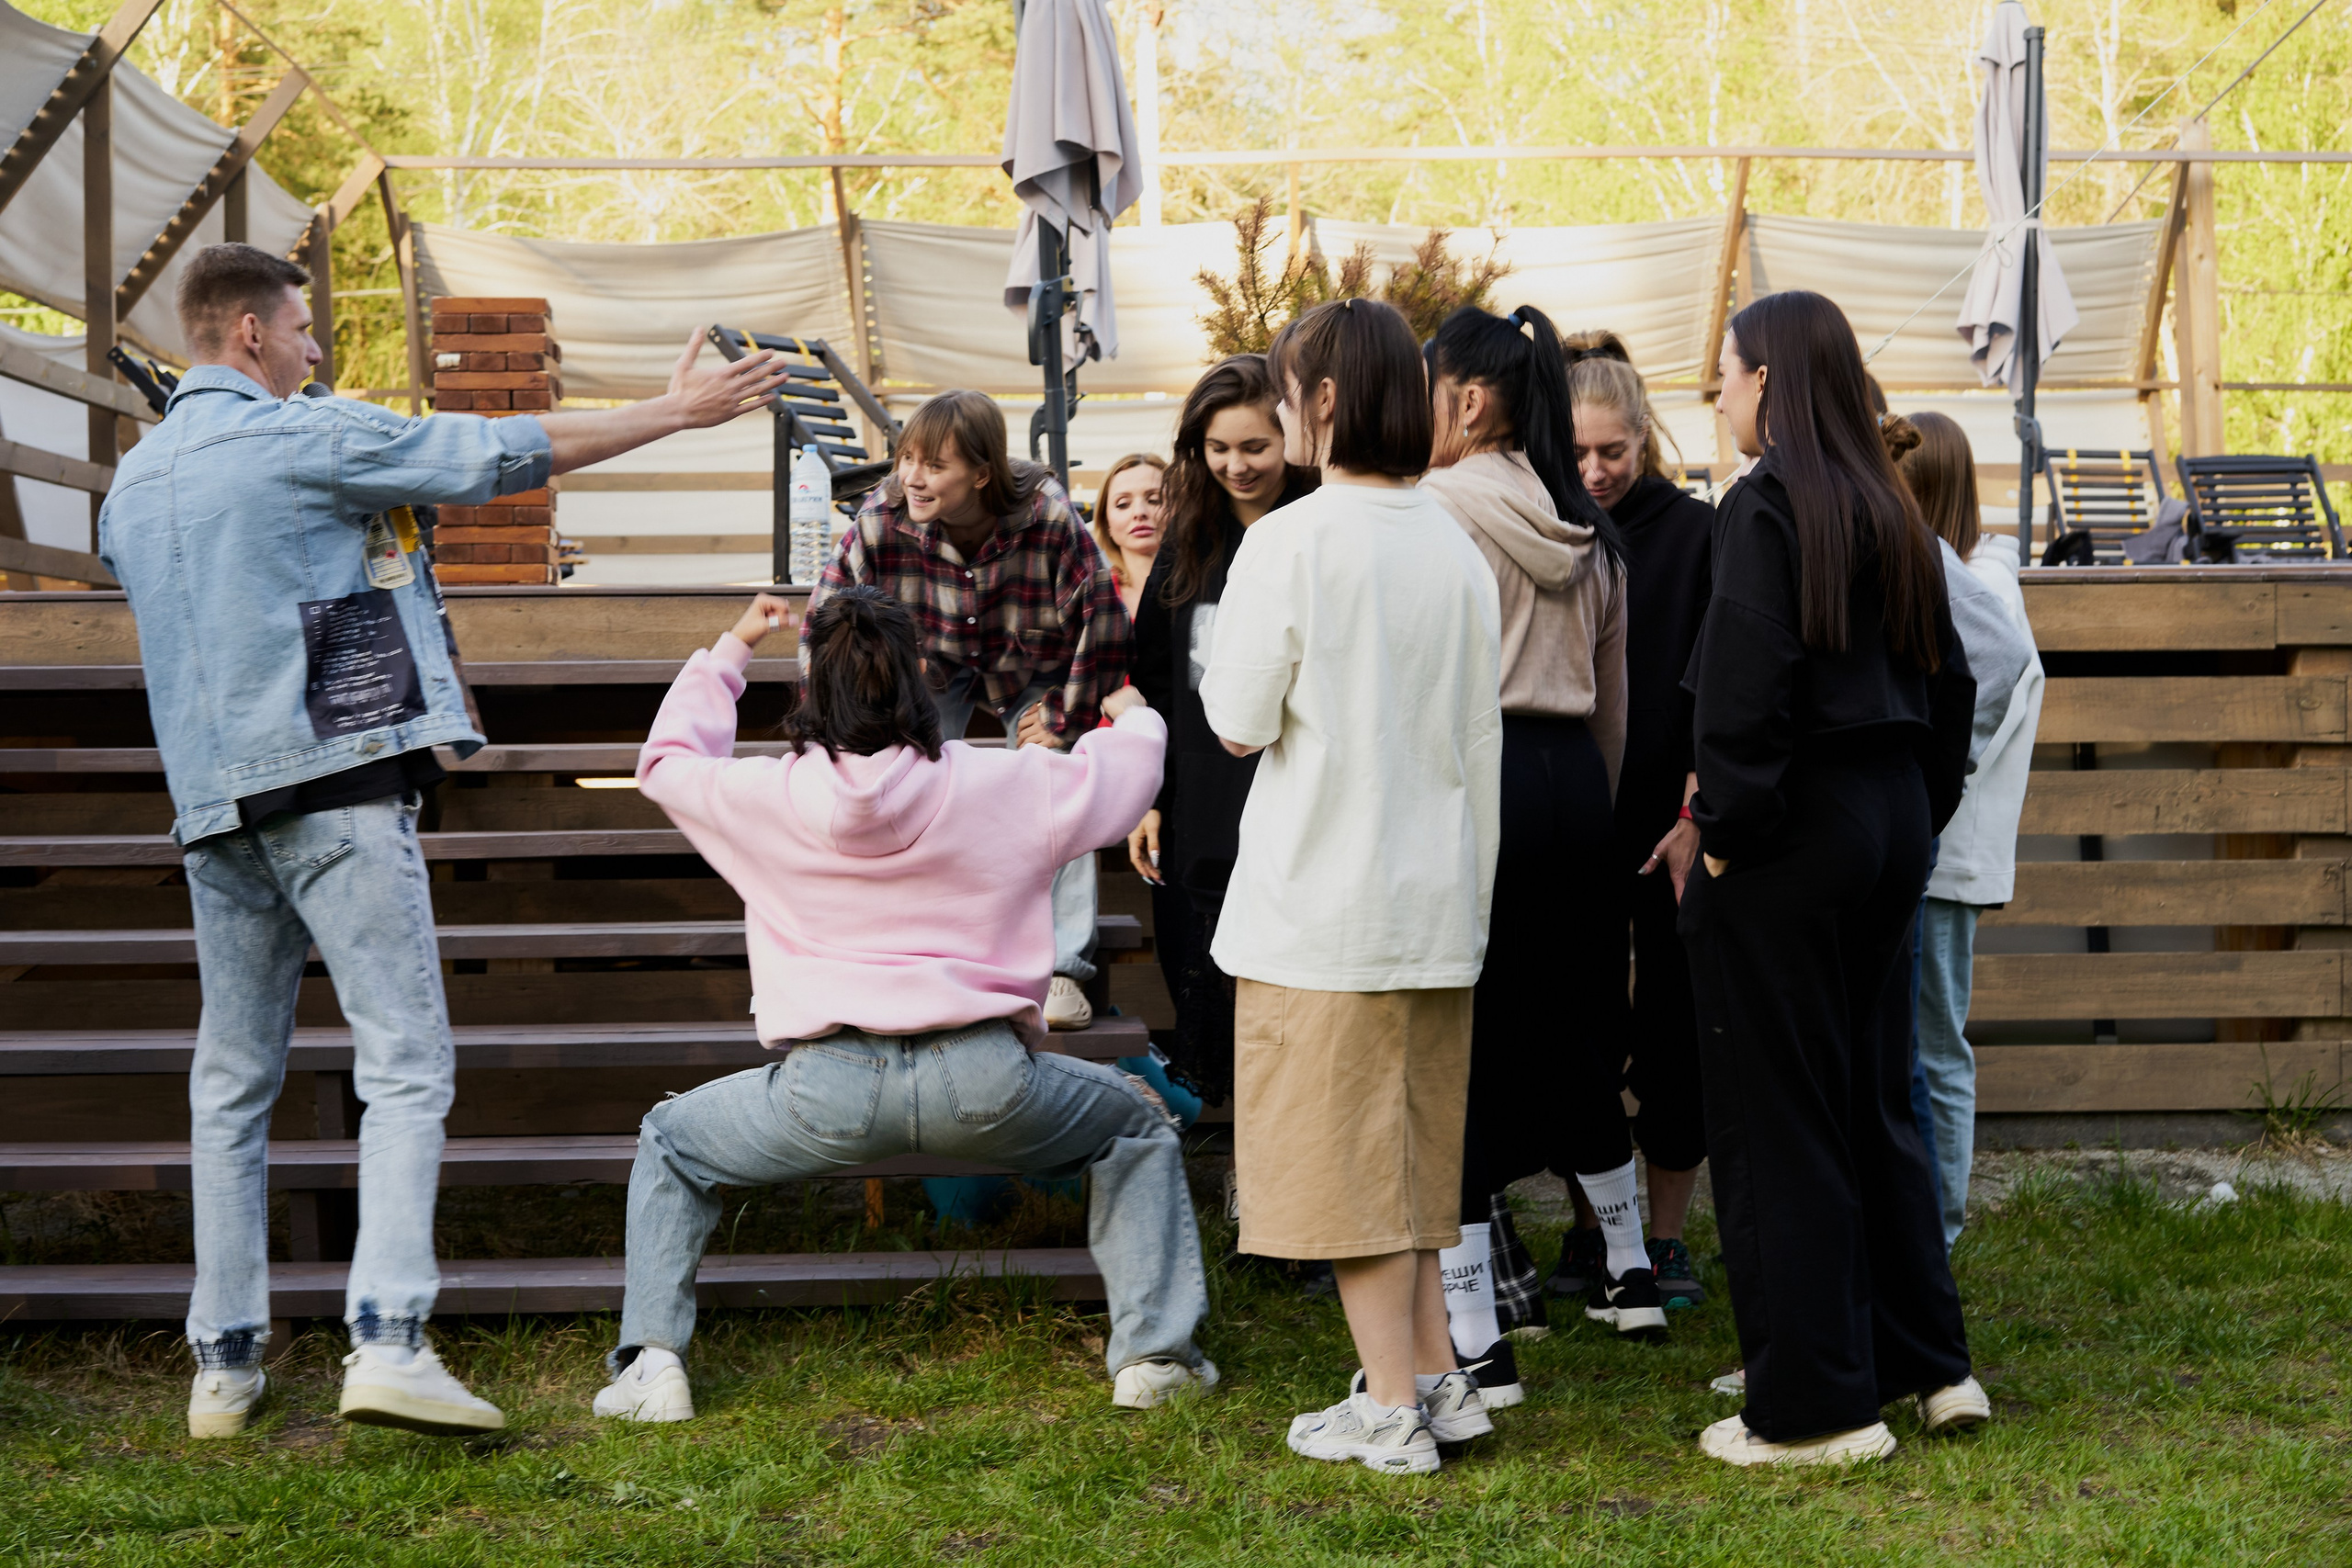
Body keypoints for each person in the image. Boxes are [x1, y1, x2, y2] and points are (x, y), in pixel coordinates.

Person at [98, 243, 797, 1440]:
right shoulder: (298, 433)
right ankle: (390, 1338)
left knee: (230, 1086)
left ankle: (222, 1366)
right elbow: (493, 455)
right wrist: (676, 413)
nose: (319, 348)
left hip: (213, 809)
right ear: (253, 335)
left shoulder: (132, 485)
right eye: (306, 328)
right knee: (406, 1065)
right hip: (333, 784)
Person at [594, 586, 1212, 1421]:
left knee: (671, 1141)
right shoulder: (1006, 781)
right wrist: (1131, 712)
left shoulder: (766, 795)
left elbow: (663, 762)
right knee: (1136, 1123)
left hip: (824, 1088)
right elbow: (1129, 776)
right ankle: (1154, 1359)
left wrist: (733, 650)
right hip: (990, 1077)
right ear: (920, 680)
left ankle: (652, 1364)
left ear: (814, 691)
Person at [1677, 289, 1987, 1467]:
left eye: (1725, 373)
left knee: (1778, 1113)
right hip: (1889, 817)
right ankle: (1928, 1366)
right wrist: (1908, 813)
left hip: (1792, 829)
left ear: (1770, 382)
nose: (1717, 394)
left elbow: (1744, 689)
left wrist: (1725, 830)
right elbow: (1951, 687)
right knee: (1873, 1095)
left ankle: (1815, 1408)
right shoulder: (1888, 505)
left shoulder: (1764, 505)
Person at [1203, 299, 1503, 1475]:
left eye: (1284, 395)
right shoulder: (1454, 542)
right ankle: (1437, 1382)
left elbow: (1233, 721)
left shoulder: (1291, 539)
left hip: (1321, 906)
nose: (1278, 417)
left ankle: (1389, 1409)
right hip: (1438, 900)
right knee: (1415, 1160)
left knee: (1345, 1174)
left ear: (1321, 401)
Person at [1417, 303, 1643, 1409]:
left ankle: (1474, 1336)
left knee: (1460, 1049)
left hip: (1481, 777)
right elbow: (1614, 704)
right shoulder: (1582, 525)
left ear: (1464, 399)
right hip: (1570, 792)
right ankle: (1632, 1267)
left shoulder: (1434, 513)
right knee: (1571, 1028)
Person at [808, 390, 1131, 1032]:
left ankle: (1063, 966)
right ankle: (902, 950)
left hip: (1032, 660)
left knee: (1055, 777)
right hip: (930, 663)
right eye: (906, 460)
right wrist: (833, 725)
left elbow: (1104, 619)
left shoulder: (1048, 515)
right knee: (900, 774)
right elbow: (824, 622)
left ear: (982, 473)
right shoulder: (883, 519)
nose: (912, 477)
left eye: (934, 466)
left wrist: (1066, 715)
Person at [1555, 330, 1718, 1314]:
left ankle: (1663, 1241)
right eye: (1575, 453)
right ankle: (1590, 1225)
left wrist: (1698, 814)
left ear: (1643, 439)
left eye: (1612, 451)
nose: (1594, 470)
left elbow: (1716, 689)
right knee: (1577, 1029)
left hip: (1669, 824)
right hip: (1572, 817)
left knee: (1673, 1032)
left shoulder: (1696, 536)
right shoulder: (1544, 526)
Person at [1125, 355, 1318, 1116]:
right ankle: (1246, 1168)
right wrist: (1153, 797)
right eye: (1218, 448)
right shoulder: (1185, 548)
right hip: (1201, 810)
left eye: (1255, 447)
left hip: (1297, 804)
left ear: (1292, 443)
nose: (1236, 465)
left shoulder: (1317, 532)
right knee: (1208, 992)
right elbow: (1159, 684)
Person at [1897, 412, 2044, 1251]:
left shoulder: (1983, 584)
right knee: (1924, 1042)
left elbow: (1999, 671)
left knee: (1936, 1045)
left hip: (1948, 857)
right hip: (1939, 846)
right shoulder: (1965, 573)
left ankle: (1940, 1232)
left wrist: (1932, 776)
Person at [1093, 452, 1167, 621]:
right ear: (1106, 523)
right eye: (1123, 504)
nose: (1139, 512)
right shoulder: (1092, 596)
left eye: (1154, 500)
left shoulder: (1208, 585)